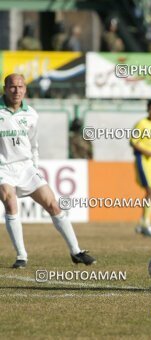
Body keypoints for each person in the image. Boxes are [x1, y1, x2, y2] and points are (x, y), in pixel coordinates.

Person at [0, 74, 96, 268]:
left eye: (20, 87)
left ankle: (76, 252)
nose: (16, 91)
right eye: (12, 87)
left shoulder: (31, 114)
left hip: (26, 167)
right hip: (3, 167)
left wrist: (35, 165)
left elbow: (33, 144)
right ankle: (22, 256)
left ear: (25, 89)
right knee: (10, 201)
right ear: (5, 89)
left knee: (53, 204)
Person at [130, 100, 151, 238]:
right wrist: (147, 152)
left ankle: (143, 223)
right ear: (148, 110)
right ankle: (145, 225)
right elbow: (133, 142)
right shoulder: (141, 123)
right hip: (142, 160)